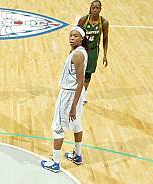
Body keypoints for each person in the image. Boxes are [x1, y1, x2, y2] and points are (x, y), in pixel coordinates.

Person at [41, 27, 88, 172]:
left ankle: (55, 163)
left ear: (82, 39)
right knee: (76, 124)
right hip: (77, 93)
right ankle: (77, 155)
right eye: (71, 35)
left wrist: (73, 106)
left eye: (75, 36)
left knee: (58, 127)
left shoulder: (77, 55)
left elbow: (81, 81)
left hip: (69, 94)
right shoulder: (79, 51)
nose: (72, 38)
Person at [77, 0, 109, 103]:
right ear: (90, 8)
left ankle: (83, 94)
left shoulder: (103, 22)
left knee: (87, 74)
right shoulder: (83, 20)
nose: (95, 9)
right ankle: (75, 91)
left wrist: (105, 55)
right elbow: (76, 34)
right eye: (93, 7)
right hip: (82, 49)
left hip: (93, 51)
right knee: (77, 72)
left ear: (100, 9)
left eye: (97, 8)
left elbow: (105, 39)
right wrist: (73, 50)